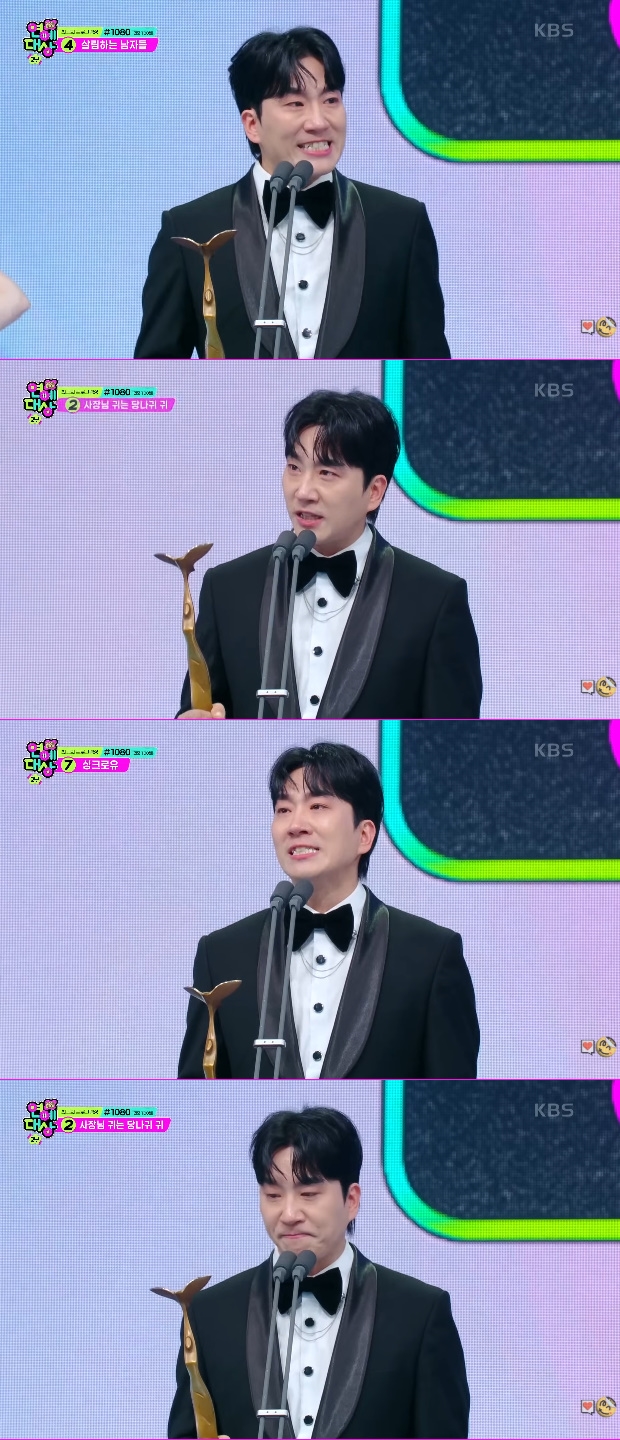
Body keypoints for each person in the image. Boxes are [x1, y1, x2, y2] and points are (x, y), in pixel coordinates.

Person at [135, 28, 450, 359]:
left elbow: (431, 372)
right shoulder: (191, 228)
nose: (318, 121)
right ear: (252, 124)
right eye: (295, 103)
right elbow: (155, 375)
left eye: (331, 100)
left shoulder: (401, 225)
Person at [178, 742, 479, 1078]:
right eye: (283, 809)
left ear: (364, 835)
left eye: (318, 806)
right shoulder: (221, 954)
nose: (296, 824)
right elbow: (196, 1090)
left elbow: (451, 1096)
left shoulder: (431, 955)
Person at [176, 390, 482, 720]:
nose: (303, 491)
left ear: (374, 491)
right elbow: (198, 713)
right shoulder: (228, 588)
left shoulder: (434, 600)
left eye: (327, 473)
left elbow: (453, 738)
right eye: (294, 467)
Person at [167, 1107, 470, 1438]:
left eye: (309, 1194)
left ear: (351, 1200)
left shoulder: (419, 1314)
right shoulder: (210, 1314)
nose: (289, 1213)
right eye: (273, 1195)